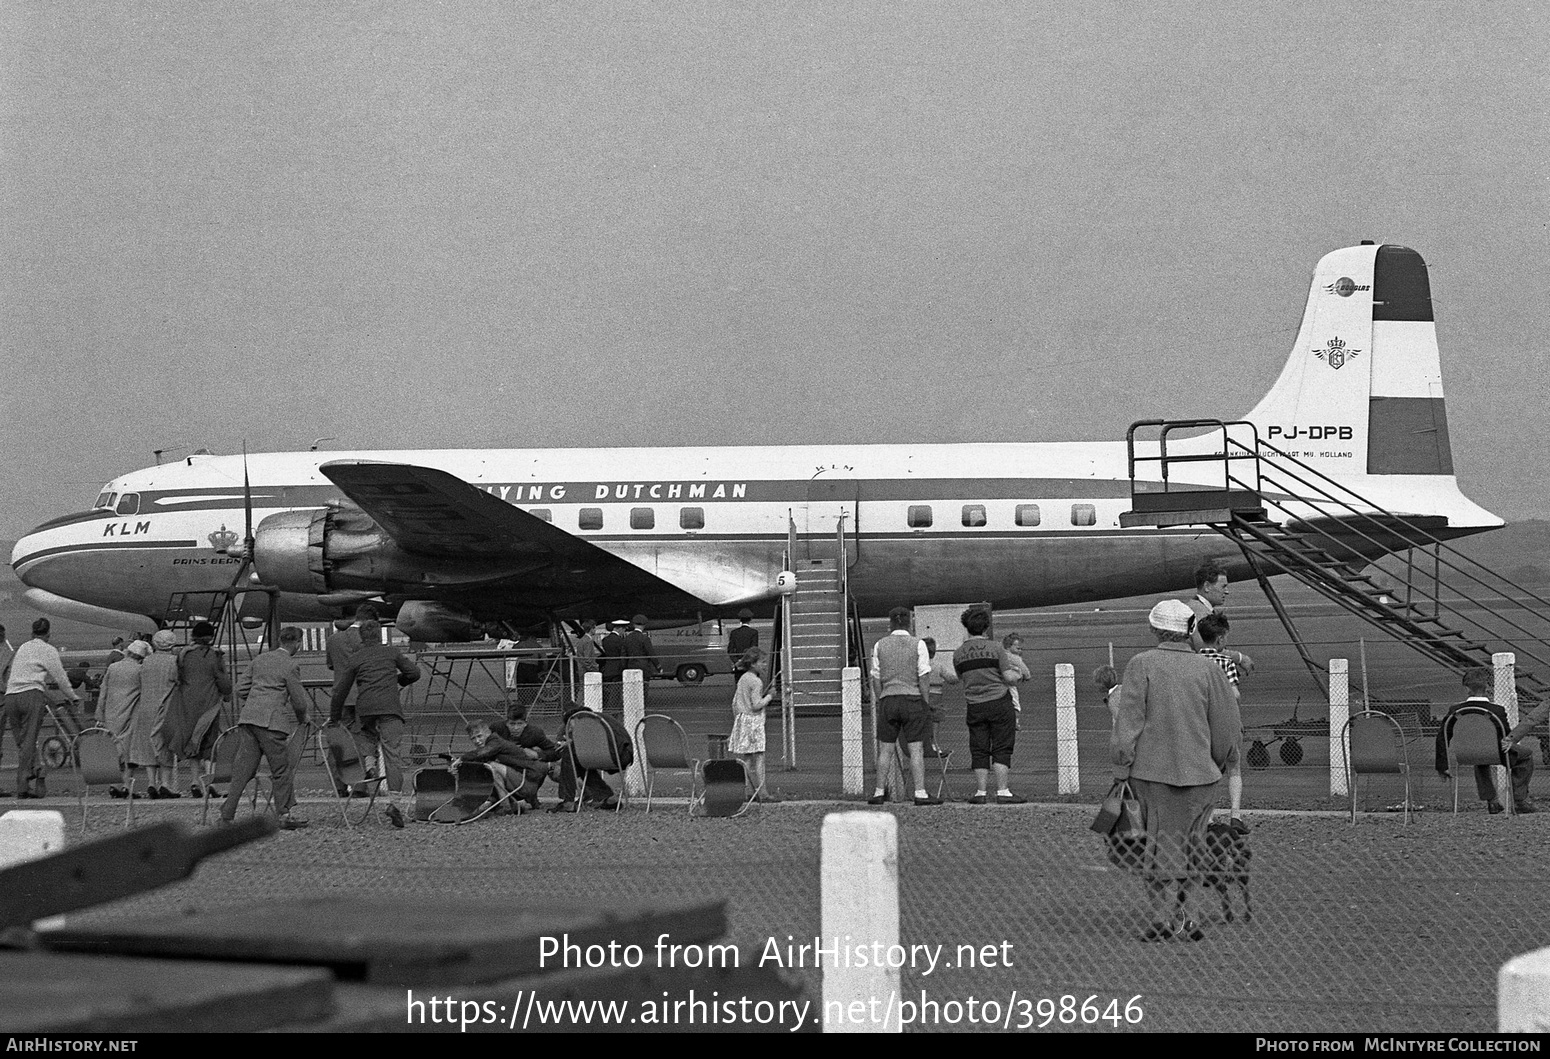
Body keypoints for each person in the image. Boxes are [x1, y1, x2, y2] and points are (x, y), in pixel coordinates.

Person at [1111, 599, 1242, 942]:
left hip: (1151, 774)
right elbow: (1228, 727)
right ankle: (1190, 917)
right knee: (1194, 846)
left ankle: (1159, 918)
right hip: (1200, 776)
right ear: (1189, 631)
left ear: (1154, 629)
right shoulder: (1209, 669)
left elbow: (1128, 724)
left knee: (1155, 846)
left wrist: (1122, 767)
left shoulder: (1141, 665)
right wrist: (1215, 761)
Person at [329, 618, 421, 828]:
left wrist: (334, 717)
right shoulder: (391, 653)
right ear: (380, 635)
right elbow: (414, 673)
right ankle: (395, 804)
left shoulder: (356, 658)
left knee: (366, 735)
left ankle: (370, 764)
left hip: (367, 708)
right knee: (393, 755)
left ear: (362, 638)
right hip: (390, 708)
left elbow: (340, 691)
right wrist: (399, 680)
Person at [220, 626, 310, 829]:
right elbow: (299, 701)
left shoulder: (259, 659)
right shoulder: (291, 665)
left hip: (249, 719)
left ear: (280, 640)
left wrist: (256, 701)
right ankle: (284, 814)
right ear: (297, 643)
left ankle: (227, 814)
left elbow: (240, 689)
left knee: (243, 769)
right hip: (272, 722)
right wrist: (302, 718)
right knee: (281, 769)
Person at [952, 607, 1026, 804]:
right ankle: (1003, 791)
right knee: (1002, 747)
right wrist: (1020, 674)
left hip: (975, 705)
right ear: (986, 627)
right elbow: (1009, 678)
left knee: (979, 748)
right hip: (999, 702)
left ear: (966, 627)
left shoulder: (958, 654)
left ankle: (980, 792)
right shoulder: (996, 648)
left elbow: (961, 678)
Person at [1436, 667, 1535, 814]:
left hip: (1467, 754)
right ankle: (1519, 798)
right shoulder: (1497, 710)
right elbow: (1506, 737)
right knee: (1526, 755)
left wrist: (1442, 765)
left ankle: (1492, 800)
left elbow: (1442, 737)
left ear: (1467, 689)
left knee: (1480, 756)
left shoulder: (1455, 711)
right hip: (1497, 753)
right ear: (1487, 687)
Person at [867, 608, 940, 807]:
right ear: (910, 623)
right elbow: (923, 675)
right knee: (915, 749)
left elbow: (875, 676)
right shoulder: (918, 644)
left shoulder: (880, 645)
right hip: (912, 698)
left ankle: (879, 791)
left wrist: (881, 698)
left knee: (886, 749)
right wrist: (925, 702)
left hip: (889, 698)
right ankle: (920, 792)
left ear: (890, 624)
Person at [3, 618, 80, 798]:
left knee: (22, 742)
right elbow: (61, 678)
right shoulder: (48, 650)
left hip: (11, 695)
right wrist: (73, 697)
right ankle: (24, 783)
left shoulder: (23, 647)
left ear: (32, 633)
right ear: (48, 634)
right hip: (31, 694)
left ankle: (35, 772)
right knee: (29, 741)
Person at [174, 621, 234, 798]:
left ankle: (194, 781)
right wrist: (228, 693)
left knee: (193, 741)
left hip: (187, 703)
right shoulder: (214, 656)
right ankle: (208, 782)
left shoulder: (183, 655)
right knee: (209, 742)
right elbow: (222, 679)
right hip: (209, 702)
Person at [1195, 613, 1245, 821]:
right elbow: (1234, 694)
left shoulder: (1193, 662)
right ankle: (1235, 814)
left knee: (1205, 772)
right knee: (1234, 768)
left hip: (1199, 723)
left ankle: (1208, 816)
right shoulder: (1225, 662)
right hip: (1225, 723)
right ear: (1221, 639)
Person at [553, 705, 634, 810]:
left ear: (574, 718)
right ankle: (609, 798)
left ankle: (568, 801)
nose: (569, 730)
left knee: (569, 754)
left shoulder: (584, 721)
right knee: (581, 763)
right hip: (624, 756)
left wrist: (569, 744)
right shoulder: (602, 719)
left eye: (569, 726)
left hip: (613, 754)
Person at [1184, 560, 1254, 675]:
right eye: (1223, 586)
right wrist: (1240, 658)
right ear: (1207, 586)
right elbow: (1206, 650)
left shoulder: (1198, 608)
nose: (1227, 592)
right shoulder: (1199, 613)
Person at [98, 640, 149, 797]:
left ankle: (114, 784)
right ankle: (126, 785)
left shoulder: (113, 668)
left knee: (114, 748)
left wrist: (100, 714)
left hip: (111, 713)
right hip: (131, 713)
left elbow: (103, 691)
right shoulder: (140, 670)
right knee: (129, 751)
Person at [728, 646, 778, 802]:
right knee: (759, 757)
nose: (764, 665)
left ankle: (747, 791)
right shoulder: (756, 682)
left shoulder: (743, 679)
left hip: (742, 719)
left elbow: (735, 702)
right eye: (762, 662)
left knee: (747, 758)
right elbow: (756, 704)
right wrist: (769, 697)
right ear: (754, 664)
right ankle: (763, 792)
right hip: (754, 721)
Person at [140, 629, 183, 798]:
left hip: (145, 707)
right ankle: (166, 783)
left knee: (148, 745)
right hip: (166, 706)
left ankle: (151, 783)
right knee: (165, 745)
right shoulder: (174, 662)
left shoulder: (146, 661)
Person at [324, 617, 363, 727]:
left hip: (341, 693)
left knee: (345, 732)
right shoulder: (362, 638)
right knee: (365, 733)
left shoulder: (332, 640)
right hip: (362, 692)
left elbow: (330, 665)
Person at [922, 637, 957, 755]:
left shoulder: (919, 666)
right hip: (936, 695)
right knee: (935, 720)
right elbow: (951, 679)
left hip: (922, 695)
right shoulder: (938, 666)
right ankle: (934, 743)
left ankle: (923, 743)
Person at [622, 614, 660, 704]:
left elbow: (623, 655)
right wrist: (658, 667)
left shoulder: (627, 638)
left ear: (634, 625)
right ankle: (641, 707)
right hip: (643, 668)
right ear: (644, 625)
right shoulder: (645, 638)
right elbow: (651, 653)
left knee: (632, 690)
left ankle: (632, 707)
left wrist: (624, 668)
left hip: (630, 667)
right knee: (643, 690)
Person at [599, 620, 627, 711]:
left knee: (609, 691)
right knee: (616, 692)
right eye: (624, 630)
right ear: (620, 629)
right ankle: (613, 710)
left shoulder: (605, 640)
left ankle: (609, 708)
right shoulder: (620, 641)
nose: (624, 632)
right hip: (618, 669)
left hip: (608, 668)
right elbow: (622, 654)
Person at [1002, 632, 1032, 714]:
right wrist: (1025, 676)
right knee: (1015, 706)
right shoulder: (1014, 658)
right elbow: (1026, 673)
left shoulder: (999, 655)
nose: (1020, 651)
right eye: (1018, 648)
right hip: (1010, 686)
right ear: (1009, 647)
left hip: (997, 687)